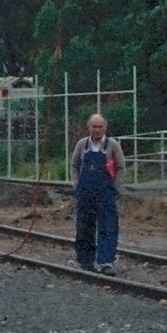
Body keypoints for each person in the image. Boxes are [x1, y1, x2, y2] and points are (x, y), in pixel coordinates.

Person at [70, 113, 127, 275]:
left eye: (100, 126)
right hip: (85, 193)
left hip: (106, 193)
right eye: (94, 127)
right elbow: (74, 165)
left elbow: (121, 167)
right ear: (89, 128)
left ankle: (106, 262)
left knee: (108, 227)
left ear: (105, 128)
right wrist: (77, 184)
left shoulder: (113, 145)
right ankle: (86, 260)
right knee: (84, 227)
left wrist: (115, 188)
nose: (97, 130)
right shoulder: (82, 144)